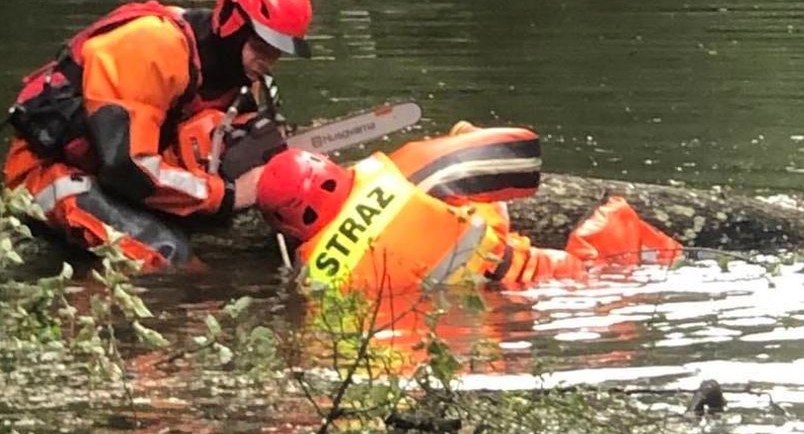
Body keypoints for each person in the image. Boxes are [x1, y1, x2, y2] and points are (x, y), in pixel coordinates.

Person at [2, 0, 313, 270]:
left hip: (116, 175)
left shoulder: (238, 75)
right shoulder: (154, 47)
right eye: (262, 47)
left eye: (277, 51)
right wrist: (228, 196)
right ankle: (88, 304)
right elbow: (126, 166)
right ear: (234, 25)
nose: (269, 60)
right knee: (172, 257)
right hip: (49, 177)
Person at [256, 140, 680, 298]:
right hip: (539, 279)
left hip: (476, 331)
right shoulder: (404, 172)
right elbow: (521, 149)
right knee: (608, 248)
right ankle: (670, 261)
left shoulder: (319, 280)